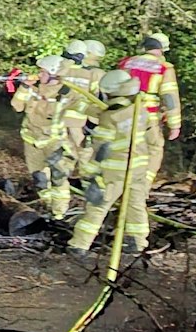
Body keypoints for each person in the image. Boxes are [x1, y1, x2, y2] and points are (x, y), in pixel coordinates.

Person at [66, 68, 155, 257]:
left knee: (97, 206)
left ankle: (79, 245)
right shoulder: (139, 110)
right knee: (135, 204)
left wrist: (88, 173)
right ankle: (137, 242)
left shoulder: (110, 117)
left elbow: (101, 149)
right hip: (139, 167)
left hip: (115, 171)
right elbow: (151, 138)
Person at [10, 54, 73, 219]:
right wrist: (24, 87)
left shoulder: (66, 93)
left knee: (59, 178)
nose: (39, 74)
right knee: (40, 178)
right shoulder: (35, 89)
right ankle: (47, 206)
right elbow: (17, 106)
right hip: (31, 140)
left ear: (53, 74)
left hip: (54, 142)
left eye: (43, 72)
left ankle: (59, 213)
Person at [116, 31, 181, 181]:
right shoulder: (164, 67)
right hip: (148, 117)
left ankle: (119, 187)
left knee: (124, 151)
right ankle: (141, 189)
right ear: (163, 49)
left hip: (122, 114)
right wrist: (174, 125)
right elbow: (169, 98)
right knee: (153, 150)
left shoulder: (127, 62)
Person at [56, 38, 106, 180]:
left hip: (59, 114)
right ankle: (86, 177)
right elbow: (98, 96)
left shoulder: (62, 69)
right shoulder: (93, 73)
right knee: (82, 146)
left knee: (66, 146)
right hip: (81, 116)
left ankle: (64, 175)